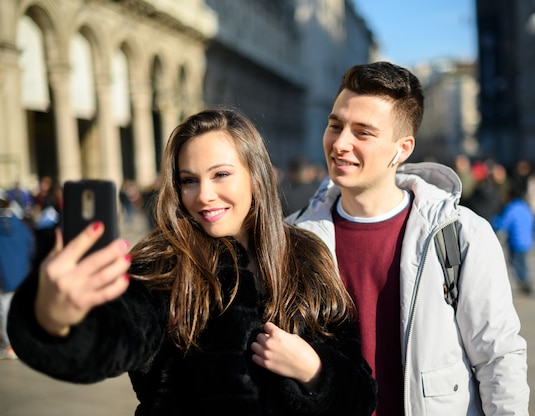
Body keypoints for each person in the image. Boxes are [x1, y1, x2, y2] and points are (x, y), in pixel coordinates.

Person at [8, 108, 376, 415]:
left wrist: (313, 370)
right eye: (188, 180)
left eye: (221, 174)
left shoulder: (307, 257)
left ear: (256, 176)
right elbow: (116, 336)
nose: (204, 196)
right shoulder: (163, 265)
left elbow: (360, 393)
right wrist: (56, 318)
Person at [286, 61, 529, 415]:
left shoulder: (459, 234)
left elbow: (498, 358)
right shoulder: (295, 237)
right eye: (335, 125)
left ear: (403, 148)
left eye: (362, 133)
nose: (340, 143)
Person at [0, 189, 35, 359]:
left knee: (6, 309)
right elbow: (31, 245)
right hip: (21, 273)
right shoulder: (19, 223)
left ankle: (11, 345)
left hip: (4, 277)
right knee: (21, 308)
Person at [491, 187, 535, 294]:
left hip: (516, 242)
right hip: (527, 241)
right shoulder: (525, 207)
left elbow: (503, 223)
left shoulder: (511, 208)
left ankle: (525, 282)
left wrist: (493, 221)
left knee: (516, 263)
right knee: (522, 262)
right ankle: (525, 281)